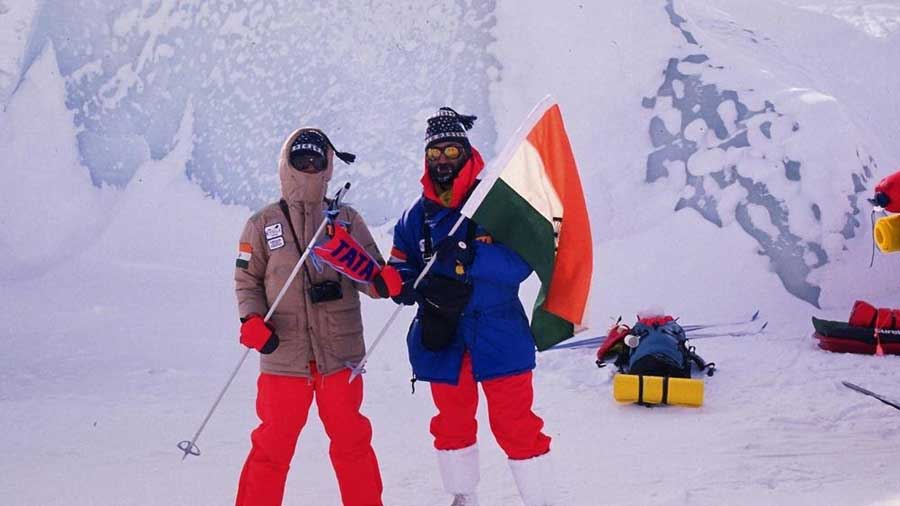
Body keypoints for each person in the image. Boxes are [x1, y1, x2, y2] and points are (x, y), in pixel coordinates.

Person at [385, 108, 556, 506]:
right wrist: (402, 282)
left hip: (499, 331)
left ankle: (541, 499)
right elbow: (400, 263)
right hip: (443, 333)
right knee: (452, 423)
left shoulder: (497, 205)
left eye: (450, 150)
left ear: (467, 151)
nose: (442, 161)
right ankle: (463, 496)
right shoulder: (416, 216)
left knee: (516, 423)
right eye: (434, 155)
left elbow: (521, 265)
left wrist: (470, 257)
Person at [233, 127, 385, 506]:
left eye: (317, 159)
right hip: (283, 357)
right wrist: (250, 320)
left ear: (329, 164)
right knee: (271, 449)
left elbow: (372, 274)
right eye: (301, 159)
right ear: (288, 163)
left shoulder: (345, 220)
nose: (310, 165)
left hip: (340, 357)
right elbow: (246, 279)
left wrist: (387, 282)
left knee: (352, 445)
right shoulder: (263, 223)